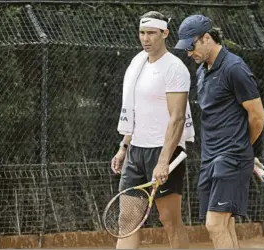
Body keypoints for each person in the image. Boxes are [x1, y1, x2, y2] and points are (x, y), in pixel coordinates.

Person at [175, 15, 264, 249]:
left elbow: (258, 116)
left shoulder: (234, 68)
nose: (189, 53)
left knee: (214, 225)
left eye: (191, 46)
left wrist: (245, 149)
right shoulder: (202, 71)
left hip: (231, 157)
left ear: (207, 38)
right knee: (225, 225)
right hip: (210, 158)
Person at [111, 11, 195, 249]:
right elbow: (136, 110)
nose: (145, 38)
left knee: (169, 221)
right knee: (127, 219)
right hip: (136, 152)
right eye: (142, 33)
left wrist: (163, 161)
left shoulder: (174, 68)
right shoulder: (137, 64)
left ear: (165, 33)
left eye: (151, 33)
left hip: (164, 152)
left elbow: (177, 118)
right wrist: (124, 146)